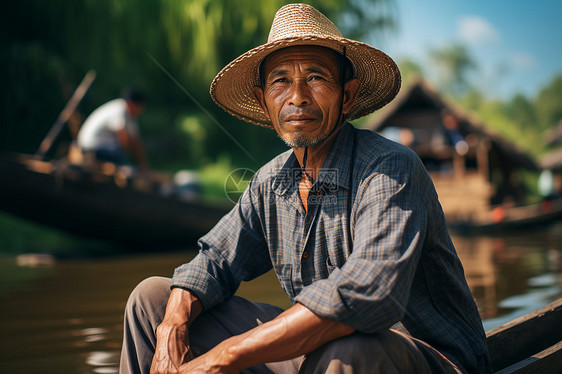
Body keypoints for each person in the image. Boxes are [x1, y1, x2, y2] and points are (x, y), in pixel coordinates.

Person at [120, 4, 492, 373]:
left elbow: (370, 293)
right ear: (264, 100)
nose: (297, 96)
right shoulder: (270, 182)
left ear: (347, 96)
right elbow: (214, 260)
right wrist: (173, 325)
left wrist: (226, 355)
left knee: (352, 347)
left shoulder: (389, 167)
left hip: (430, 359)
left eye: (315, 78)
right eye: (280, 81)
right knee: (152, 300)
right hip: (323, 350)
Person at [77, 87, 149, 169]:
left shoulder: (127, 113)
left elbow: (135, 139)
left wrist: (143, 164)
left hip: (101, 147)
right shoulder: (119, 111)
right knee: (127, 168)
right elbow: (124, 140)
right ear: (131, 104)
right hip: (93, 148)